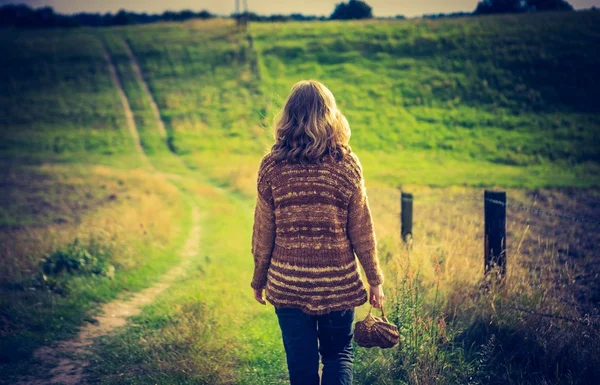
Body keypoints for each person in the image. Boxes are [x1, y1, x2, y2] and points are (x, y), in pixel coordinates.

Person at [250, 80, 385, 385]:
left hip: (289, 285)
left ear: (288, 116)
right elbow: (362, 229)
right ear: (330, 115)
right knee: (339, 357)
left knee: (301, 366)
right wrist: (374, 280)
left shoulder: (272, 166)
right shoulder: (347, 164)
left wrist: (259, 279)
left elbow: (263, 232)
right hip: (338, 285)